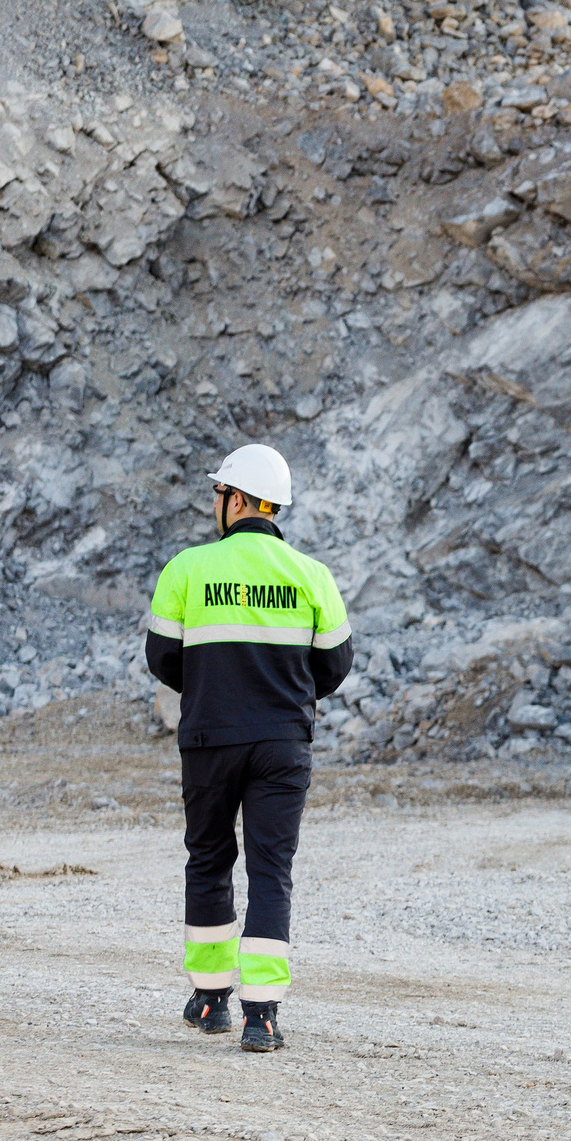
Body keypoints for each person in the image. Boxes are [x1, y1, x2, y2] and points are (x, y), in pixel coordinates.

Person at [144, 443, 352, 1053]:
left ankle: (211, 999)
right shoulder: (312, 575)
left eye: (219, 494)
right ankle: (261, 1016)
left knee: (209, 859)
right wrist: (278, 689)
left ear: (237, 501)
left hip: (210, 740)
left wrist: (216, 684)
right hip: (283, 743)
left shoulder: (187, 568)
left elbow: (162, 659)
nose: (216, 503)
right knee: (270, 872)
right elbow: (335, 666)